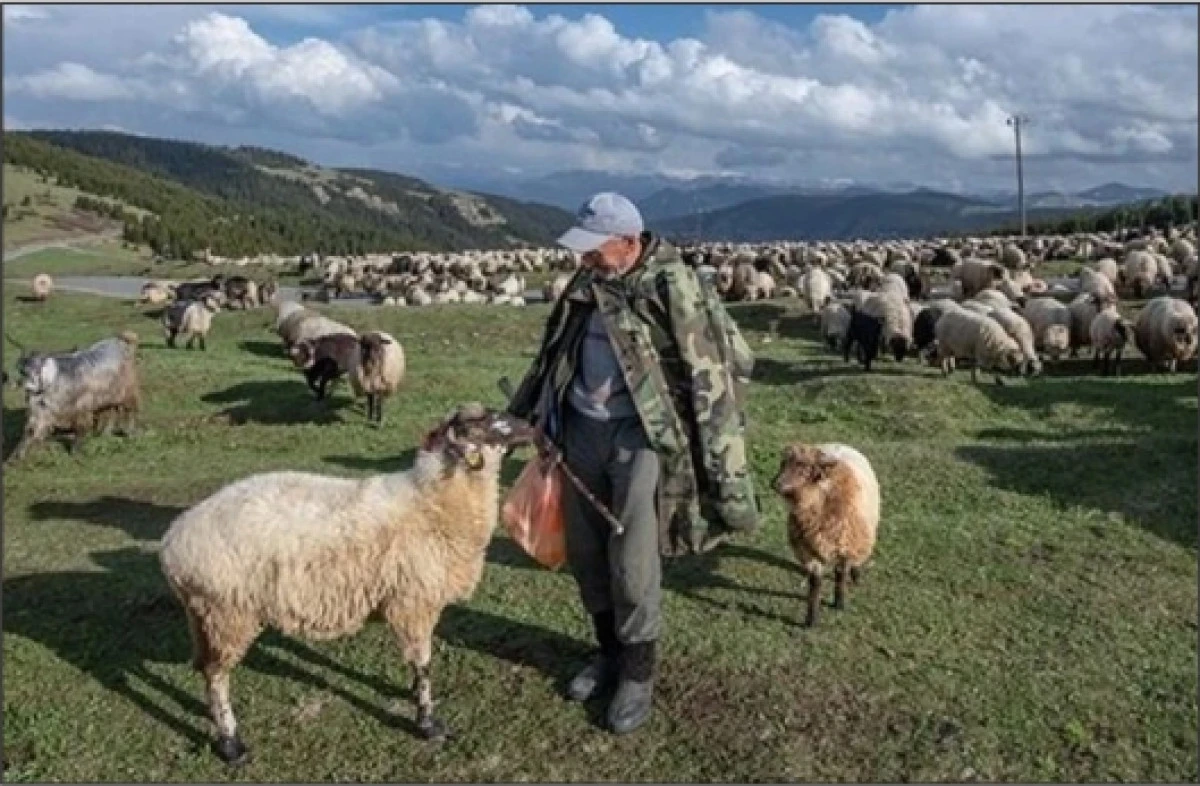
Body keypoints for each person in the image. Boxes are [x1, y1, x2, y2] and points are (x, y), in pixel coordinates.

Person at [506, 191, 759, 734]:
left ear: (628, 242)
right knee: (587, 553)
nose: (584, 260)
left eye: (594, 250)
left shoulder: (674, 288)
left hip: (641, 439)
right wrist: (529, 415)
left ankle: (637, 674)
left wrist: (716, 456)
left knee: (634, 561)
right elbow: (554, 353)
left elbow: (712, 370)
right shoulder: (587, 283)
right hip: (578, 431)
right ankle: (607, 654)